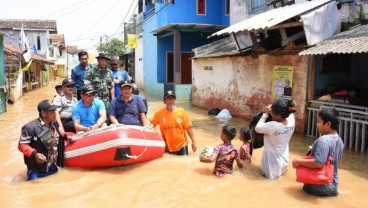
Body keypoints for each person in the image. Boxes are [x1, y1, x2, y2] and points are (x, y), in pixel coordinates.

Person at [292, 108, 344, 196]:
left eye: (319, 122)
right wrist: (315, 149)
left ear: (328, 124)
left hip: (318, 187)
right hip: (333, 186)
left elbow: (318, 163)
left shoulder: (323, 140)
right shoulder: (339, 140)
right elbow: (334, 160)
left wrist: (297, 161)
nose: (317, 124)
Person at [18, 100, 60, 180]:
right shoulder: (30, 127)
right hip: (37, 171)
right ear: (43, 113)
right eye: (52, 111)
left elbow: (56, 143)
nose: (55, 113)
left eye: (55, 111)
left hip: (52, 166)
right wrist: (35, 154)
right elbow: (22, 145)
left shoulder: (54, 125)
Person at [255, 98, 295, 179]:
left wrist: (265, 114)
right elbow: (290, 113)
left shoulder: (273, 126)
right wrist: (274, 108)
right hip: (283, 164)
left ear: (279, 115)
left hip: (271, 168)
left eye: (272, 113)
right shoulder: (291, 122)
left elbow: (257, 128)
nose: (271, 114)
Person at [150, 90, 197, 155]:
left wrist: (193, 142)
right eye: (168, 99)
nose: (171, 101)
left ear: (175, 100)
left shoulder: (182, 112)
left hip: (182, 146)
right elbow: (153, 123)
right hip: (167, 147)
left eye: (172, 98)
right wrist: (148, 128)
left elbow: (189, 128)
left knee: (183, 163)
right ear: (164, 101)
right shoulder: (159, 113)